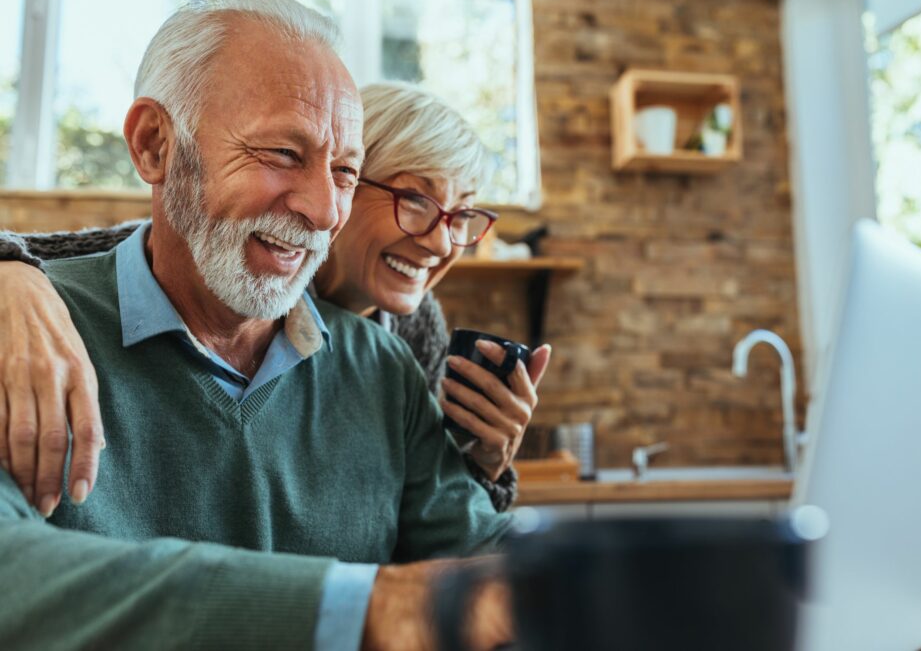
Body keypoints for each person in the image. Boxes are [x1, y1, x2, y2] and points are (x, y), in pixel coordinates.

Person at [0, 0, 514, 650]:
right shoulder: (24, 335)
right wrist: (364, 608)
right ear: (154, 146)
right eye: (283, 154)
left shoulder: (386, 364)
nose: (324, 210)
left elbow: (487, 554)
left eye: (346, 171)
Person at [0, 81, 548, 516]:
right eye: (415, 200)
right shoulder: (216, 262)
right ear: (343, 182)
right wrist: (12, 276)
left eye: (461, 214)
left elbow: (425, 517)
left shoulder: (412, 329)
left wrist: (485, 463)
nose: (441, 242)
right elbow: (69, 260)